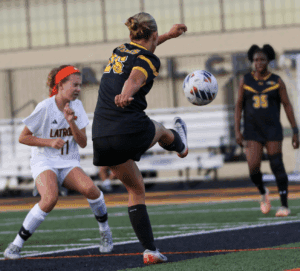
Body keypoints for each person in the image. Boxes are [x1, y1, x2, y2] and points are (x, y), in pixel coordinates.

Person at [92, 12, 188, 265]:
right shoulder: (148, 59)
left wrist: (167, 35)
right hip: (127, 127)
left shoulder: (120, 49)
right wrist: (126, 93)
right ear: (152, 36)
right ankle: (180, 144)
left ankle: (150, 251)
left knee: (135, 189)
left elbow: (140, 54)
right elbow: (136, 75)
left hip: (101, 134)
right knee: (159, 129)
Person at [4, 65, 113, 259]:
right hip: (44, 161)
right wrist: (49, 142)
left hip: (68, 162)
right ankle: (16, 244)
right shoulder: (45, 107)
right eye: (75, 85)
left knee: (92, 190)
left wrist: (71, 122)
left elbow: (83, 142)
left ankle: (105, 232)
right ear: (61, 85)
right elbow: (23, 137)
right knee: (50, 198)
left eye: (80, 85)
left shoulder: (77, 106)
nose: (79, 89)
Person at [235, 44, 299, 217]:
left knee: (276, 164)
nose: (258, 63)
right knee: (253, 167)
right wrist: (237, 130)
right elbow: (239, 106)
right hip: (252, 130)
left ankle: (284, 205)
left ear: (268, 60)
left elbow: (287, 105)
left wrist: (295, 130)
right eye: (255, 60)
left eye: (262, 59)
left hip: (272, 129)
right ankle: (263, 192)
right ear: (252, 61)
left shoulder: (277, 81)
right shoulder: (245, 80)